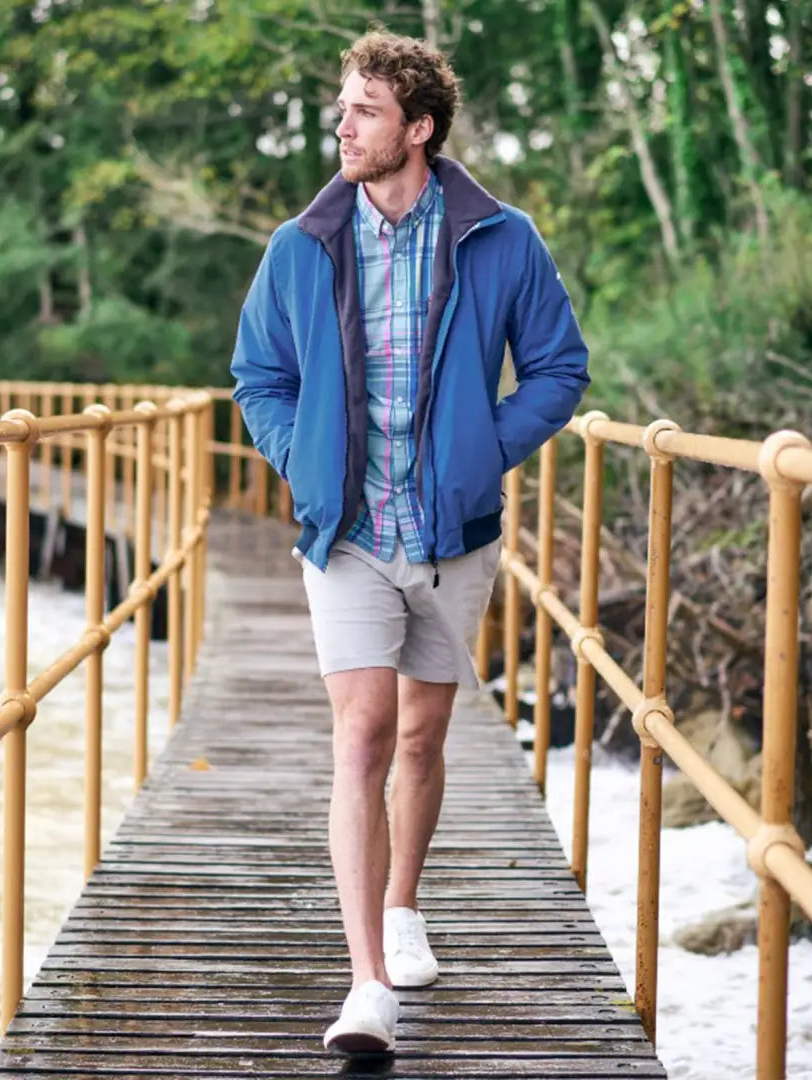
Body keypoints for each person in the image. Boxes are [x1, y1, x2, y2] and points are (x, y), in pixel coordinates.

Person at [231, 29, 590, 1056]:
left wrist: (481, 454)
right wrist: (301, 461)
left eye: (365, 111)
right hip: (343, 530)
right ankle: (368, 986)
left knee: (424, 738)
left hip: (453, 532)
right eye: (342, 107)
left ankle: (402, 903)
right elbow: (259, 375)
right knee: (364, 732)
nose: (340, 125)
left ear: (418, 128)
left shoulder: (502, 238)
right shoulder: (302, 245)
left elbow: (561, 370)